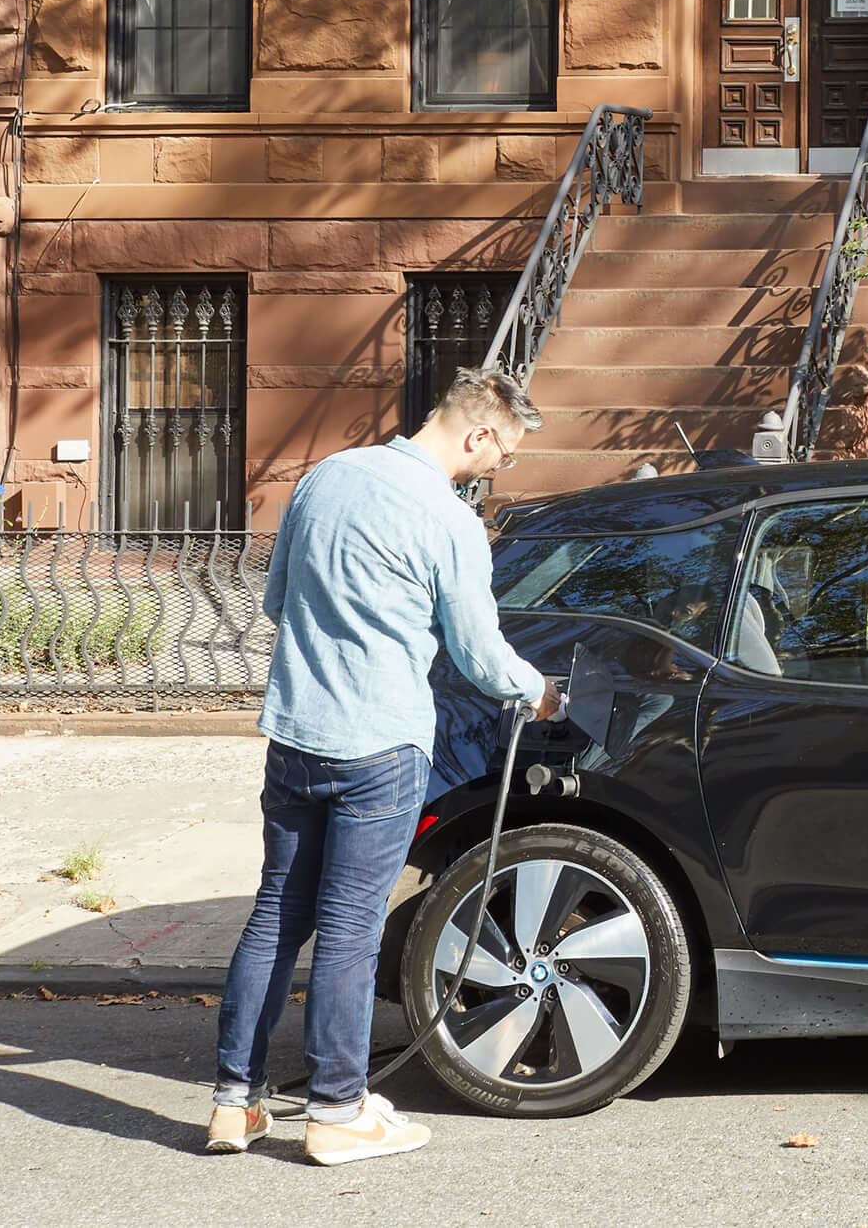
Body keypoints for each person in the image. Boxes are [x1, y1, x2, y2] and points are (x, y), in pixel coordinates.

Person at [207, 366, 561, 1164]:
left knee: (275, 915)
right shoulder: (447, 516)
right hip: (380, 745)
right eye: (502, 450)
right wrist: (540, 692)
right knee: (350, 931)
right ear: (477, 432)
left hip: (296, 735)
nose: (498, 466)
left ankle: (236, 1103)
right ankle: (336, 1113)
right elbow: (477, 651)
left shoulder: (325, 476)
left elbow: (275, 600)